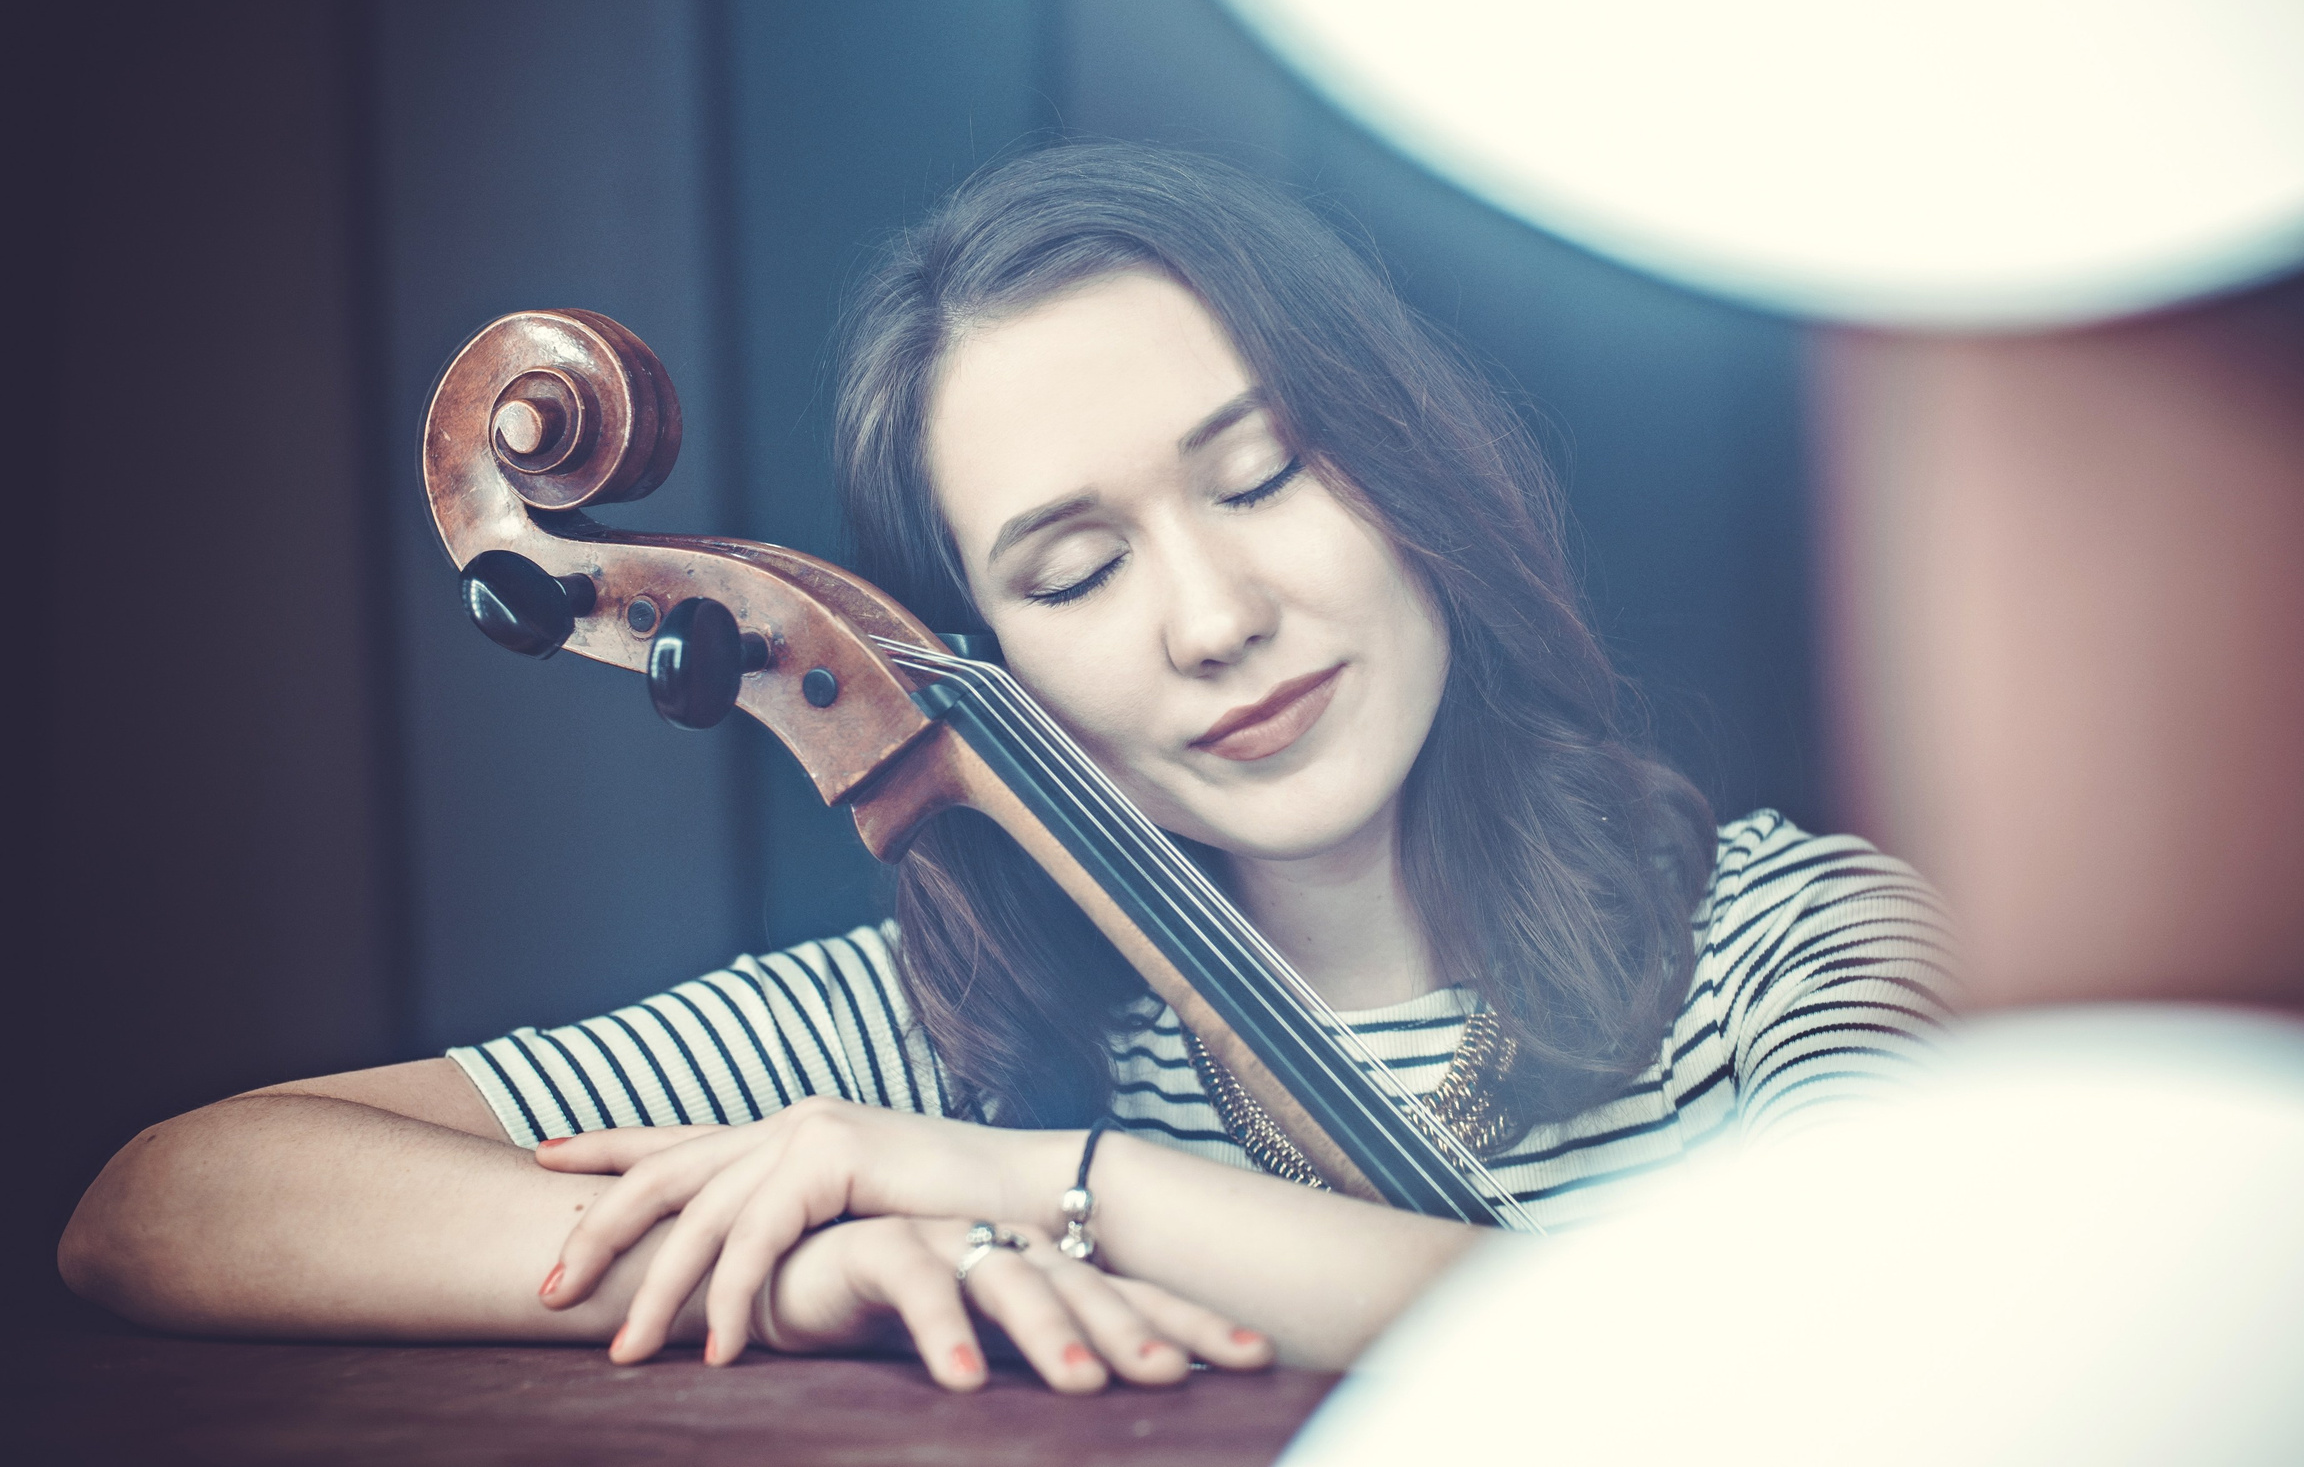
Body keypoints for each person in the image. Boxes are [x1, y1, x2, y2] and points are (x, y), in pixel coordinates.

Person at [59, 142, 1948, 1391]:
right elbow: (166, 1202)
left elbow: (1780, 1386)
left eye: (1264, 473)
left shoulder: (1788, 944)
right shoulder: (945, 1023)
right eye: (1075, 567)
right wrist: (808, 1265)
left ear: (1412, 459)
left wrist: (1030, 1183)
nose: (1214, 618)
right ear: (978, 654)